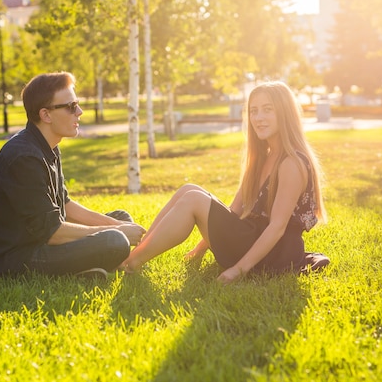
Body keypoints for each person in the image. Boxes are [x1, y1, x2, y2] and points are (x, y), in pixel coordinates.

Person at [121, 81, 328, 284]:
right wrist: (201, 248)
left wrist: (239, 269)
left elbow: (277, 227)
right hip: (250, 237)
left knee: (193, 198)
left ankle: (131, 262)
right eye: (253, 111)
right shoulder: (263, 157)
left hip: (273, 256)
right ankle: (138, 251)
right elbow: (234, 211)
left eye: (267, 110)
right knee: (189, 189)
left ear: (285, 113)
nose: (258, 118)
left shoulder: (291, 163)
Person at [0, 71, 146, 279]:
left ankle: (87, 270)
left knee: (121, 218)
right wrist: (118, 233)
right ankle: (85, 270)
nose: (80, 112)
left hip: (42, 242)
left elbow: (65, 206)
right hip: (17, 260)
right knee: (115, 240)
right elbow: (52, 233)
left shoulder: (48, 146)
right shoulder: (23, 158)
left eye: (76, 104)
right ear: (46, 115)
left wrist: (117, 225)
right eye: (71, 106)